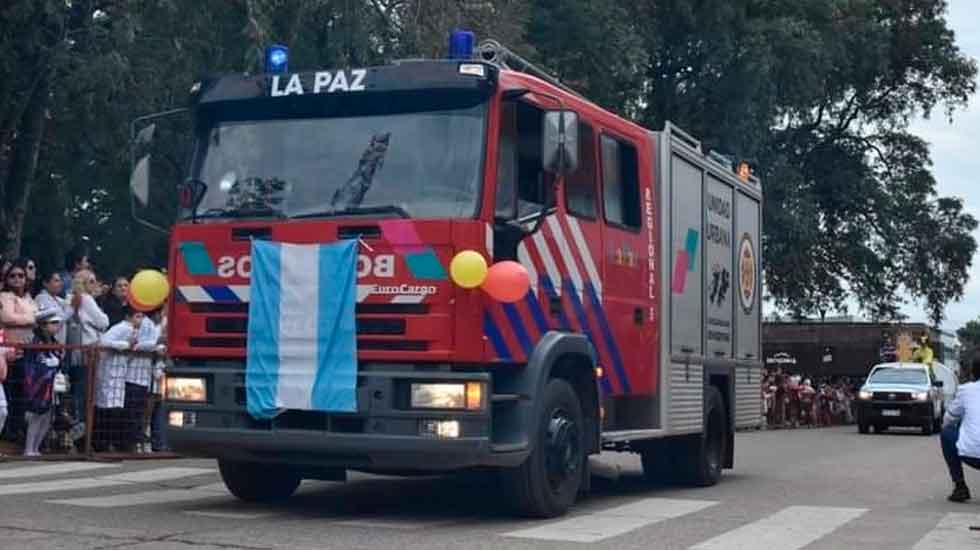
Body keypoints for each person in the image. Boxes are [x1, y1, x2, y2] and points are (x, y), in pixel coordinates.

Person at [94, 306, 143, 452]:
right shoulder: (121, 327)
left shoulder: (135, 331)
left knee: (116, 409)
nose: (141, 320)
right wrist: (124, 345)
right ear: (129, 317)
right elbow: (103, 341)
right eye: (138, 316)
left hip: (120, 374)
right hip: (109, 373)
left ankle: (110, 442)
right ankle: (99, 444)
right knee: (106, 408)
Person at [0, 259, 38, 444]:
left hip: (28, 351)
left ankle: (17, 430)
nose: (17, 279)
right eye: (13, 276)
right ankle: (7, 432)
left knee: (23, 393)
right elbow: (7, 317)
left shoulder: (29, 298)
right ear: (7, 279)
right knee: (10, 392)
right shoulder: (4, 297)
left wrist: (28, 318)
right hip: (9, 352)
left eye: (20, 275)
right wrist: (31, 319)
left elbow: (37, 317)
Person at [22, 307, 63, 456]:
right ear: (43, 325)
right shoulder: (36, 341)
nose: (56, 325)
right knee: (36, 416)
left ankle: (36, 448)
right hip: (39, 385)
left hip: (52, 385)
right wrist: (49, 364)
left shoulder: (54, 341)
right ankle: (28, 449)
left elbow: (57, 360)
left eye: (57, 322)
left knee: (47, 417)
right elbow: (33, 364)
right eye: (53, 323)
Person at [941, 352, 980, 502]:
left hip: (971, 455)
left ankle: (960, 487)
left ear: (972, 372)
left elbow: (948, 418)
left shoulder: (966, 390)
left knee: (947, 432)